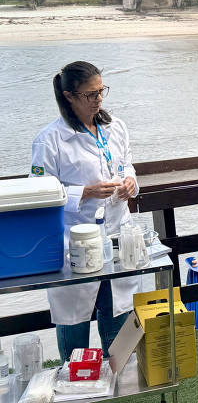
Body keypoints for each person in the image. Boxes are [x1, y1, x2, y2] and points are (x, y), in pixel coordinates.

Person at [30, 61, 139, 362]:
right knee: (74, 322)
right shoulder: (50, 139)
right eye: (90, 94)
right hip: (73, 241)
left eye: (101, 91)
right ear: (69, 96)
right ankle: (73, 383)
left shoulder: (115, 127)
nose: (98, 99)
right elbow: (39, 193)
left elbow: (126, 164)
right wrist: (84, 193)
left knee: (117, 312)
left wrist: (131, 182)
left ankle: (117, 382)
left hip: (117, 231)